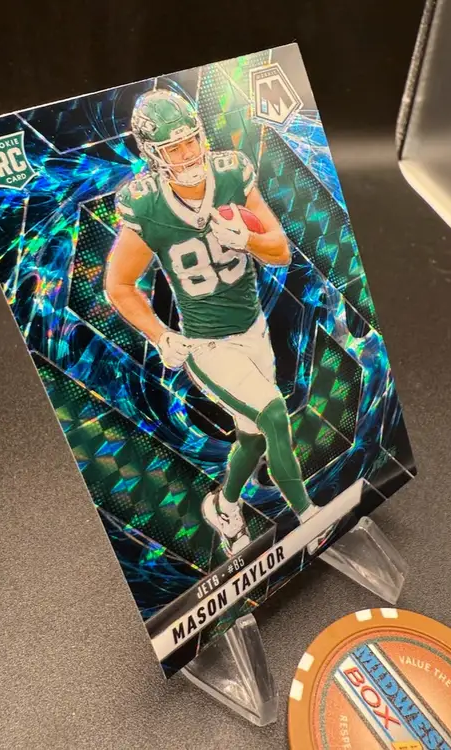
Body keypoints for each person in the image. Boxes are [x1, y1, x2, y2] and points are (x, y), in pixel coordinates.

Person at [105, 89, 327, 557]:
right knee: (273, 414)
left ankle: (224, 507)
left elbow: (281, 251)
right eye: (173, 147)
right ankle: (311, 519)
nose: (187, 153)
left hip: (254, 330)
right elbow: (118, 284)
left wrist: (248, 239)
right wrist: (160, 334)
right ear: (152, 154)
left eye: (191, 140)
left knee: (253, 436)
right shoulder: (146, 205)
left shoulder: (230, 173)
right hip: (208, 345)